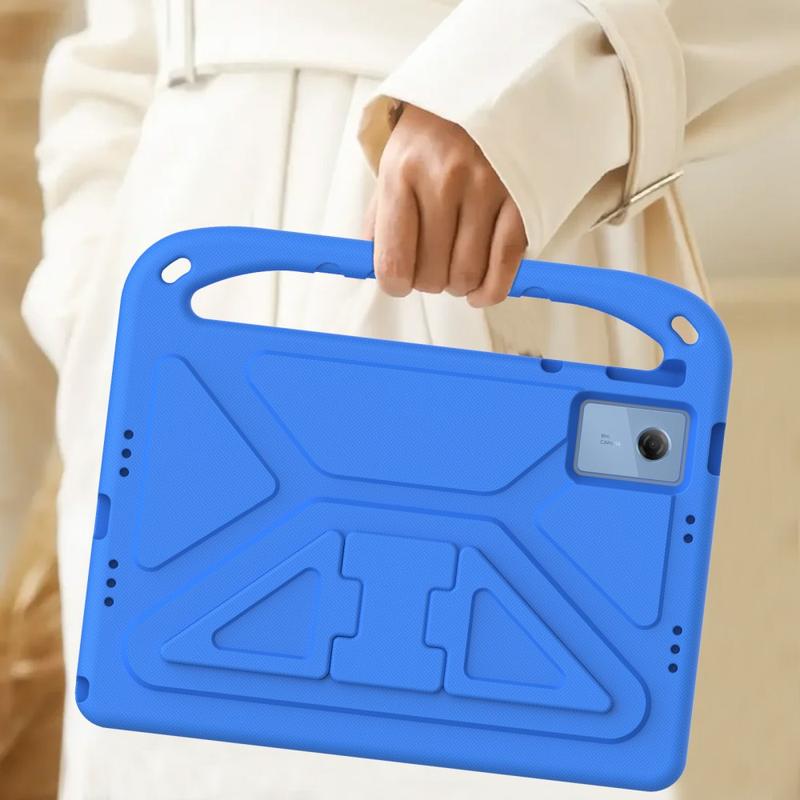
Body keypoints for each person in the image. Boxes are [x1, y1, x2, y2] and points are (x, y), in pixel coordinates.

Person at [22, 1, 799, 798]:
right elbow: (113, 55)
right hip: (176, 350)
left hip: (487, 246)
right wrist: (92, 299)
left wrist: (514, 90)